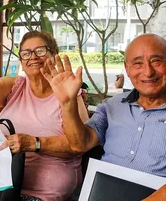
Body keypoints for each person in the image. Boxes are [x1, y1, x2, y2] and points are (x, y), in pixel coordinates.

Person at [0, 23, 89, 201]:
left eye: (40, 51)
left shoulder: (69, 94)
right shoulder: (16, 86)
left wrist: (34, 143)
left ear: (54, 55)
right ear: (21, 60)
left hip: (41, 193)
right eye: (26, 53)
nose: (33, 57)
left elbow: (79, 144)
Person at [39, 33, 166, 200]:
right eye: (137, 63)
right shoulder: (112, 105)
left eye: (156, 61)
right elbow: (80, 144)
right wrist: (67, 103)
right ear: (126, 68)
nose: (148, 72)